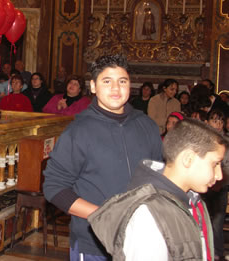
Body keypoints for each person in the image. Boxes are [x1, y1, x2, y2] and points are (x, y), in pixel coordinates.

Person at [43, 54, 163, 260]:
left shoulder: (147, 126)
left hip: (140, 241)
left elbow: (159, 176)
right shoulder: (78, 131)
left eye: (122, 81)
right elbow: (54, 187)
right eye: (107, 81)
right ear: (93, 87)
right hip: (93, 243)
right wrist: (104, 215)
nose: (116, 89)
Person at [89, 118, 228, 261]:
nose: (219, 175)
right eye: (215, 164)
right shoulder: (148, 215)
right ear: (188, 159)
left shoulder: (194, 201)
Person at [203, 109, 228, 260]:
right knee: (203, 221)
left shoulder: (226, 143)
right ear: (207, 122)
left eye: (221, 121)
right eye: (215, 120)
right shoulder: (202, 142)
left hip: (221, 187)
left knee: (218, 223)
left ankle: (218, 253)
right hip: (203, 186)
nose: (218, 124)